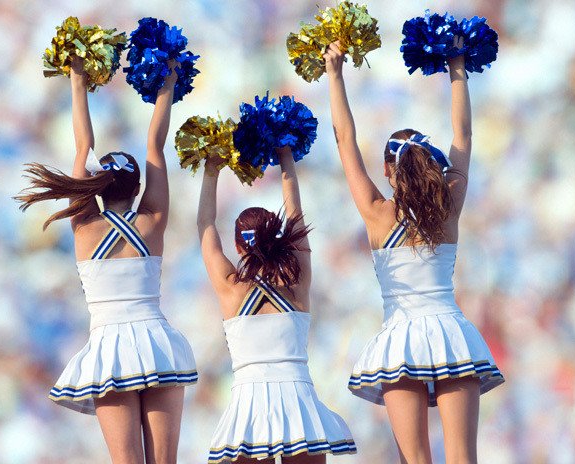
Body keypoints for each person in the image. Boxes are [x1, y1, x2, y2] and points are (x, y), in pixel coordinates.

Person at [324, 38, 504, 464]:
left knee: (415, 460)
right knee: (463, 458)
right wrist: (457, 63)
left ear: (387, 169)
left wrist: (335, 75)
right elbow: (464, 134)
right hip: (452, 333)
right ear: (429, 163)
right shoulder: (449, 205)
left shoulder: (376, 214)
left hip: (400, 340)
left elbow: (344, 139)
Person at [16, 57, 197, 464]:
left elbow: (83, 146)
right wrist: (166, 84)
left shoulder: (84, 226)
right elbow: (155, 145)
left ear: (99, 186)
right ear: (136, 189)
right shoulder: (151, 222)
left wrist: (77, 81)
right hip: (157, 343)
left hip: (110, 348)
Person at [197, 148, 356, 463]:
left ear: (239, 246)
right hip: (299, 401)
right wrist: (286, 156)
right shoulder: (297, 282)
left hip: (250, 404)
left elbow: (205, 223)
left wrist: (212, 167)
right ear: (276, 237)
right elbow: (295, 215)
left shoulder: (230, 288)